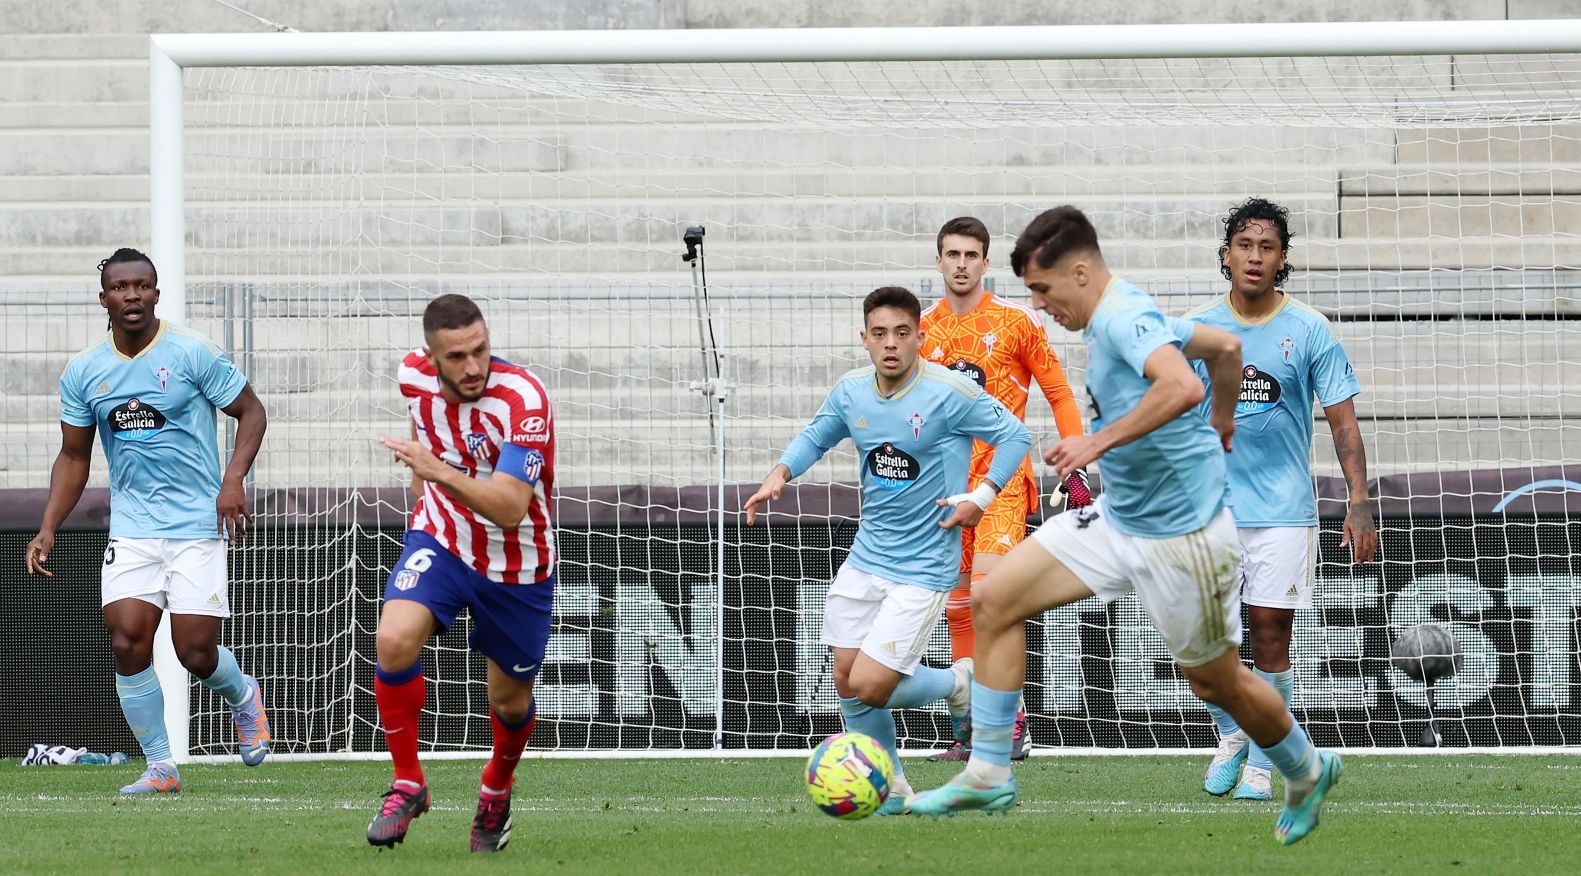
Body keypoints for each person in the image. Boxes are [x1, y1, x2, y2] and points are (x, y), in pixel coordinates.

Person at [908, 207, 1343, 846]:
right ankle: (990, 770)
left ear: (1080, 272)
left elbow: (1180, 387)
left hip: (1182, 538)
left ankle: (1306, 767)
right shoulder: (1126, 308)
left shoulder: (1121, 318)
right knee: (994, 597)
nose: (1040, 305)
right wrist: (1226, 419)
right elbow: (1224, 348)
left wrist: (1097, 442)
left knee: (1215, 680)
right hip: (1120, 518)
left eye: (1045, 289)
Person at [743, 286, 1032, 814]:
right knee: (845, 680)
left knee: (872, 686)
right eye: (880, 334)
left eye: (902, 333)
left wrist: (982, 495)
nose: (891, 344)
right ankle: (893, 783)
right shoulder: (852, 391)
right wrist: (779, 473)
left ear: (920, 337)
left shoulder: (949, 392)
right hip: (867, 555)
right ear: (865, 339)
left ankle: (959, 683)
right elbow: (818, 434)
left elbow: (1016, 436)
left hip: (924, 565)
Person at [26, 247, 271, 794]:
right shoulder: (86, 370)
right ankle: (161, 767)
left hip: (196, 527)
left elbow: (250, 411)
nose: (131, 296)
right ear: (104, 298)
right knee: (128, 641)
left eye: (142, 286)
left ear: (156, 293)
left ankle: (242, 696)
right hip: (133, 528)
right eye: (121, 287)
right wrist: (47, 527)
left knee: (194, 651)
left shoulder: (191, 352)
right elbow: (73, 456)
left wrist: (232, 481)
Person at [1186, 198, 1377, 800]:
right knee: (1206, 644)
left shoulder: (1309, 329)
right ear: (1226, 254)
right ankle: (1231, 736)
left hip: (1283, 512)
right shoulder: (1198, 331)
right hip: (1209, 511)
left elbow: (1343, 426)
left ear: (1282, 259)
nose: (1255, 256)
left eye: (1267, 247)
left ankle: (1263, 765)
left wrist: (1359, 500)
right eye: (1245, 244)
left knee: (1270, 636)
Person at [366, 294, 557, 854]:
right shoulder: (411, 376)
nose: (472, 367)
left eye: (481, 350)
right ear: (432, 356)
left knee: (510, 704)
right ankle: (408, 784)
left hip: (515, 559)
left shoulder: (525, 400)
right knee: (393, 638)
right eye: (457, 357)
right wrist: (424, 507)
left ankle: (496, 789)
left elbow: (508, 507)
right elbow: (422, 427)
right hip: (443, 540)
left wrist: (433, 470)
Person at [921, 216, 1090, 761]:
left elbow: (1060, 394)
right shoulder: (920, 329)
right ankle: (969, 728)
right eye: (953, 254)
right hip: (945, 490)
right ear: (939, 261)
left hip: (1002, 485)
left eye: (972, 255)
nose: (962, 264)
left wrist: (1075, 464)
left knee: (994, 598)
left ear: (987, 262)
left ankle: (1010, 726)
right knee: (959, 610)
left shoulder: (1016, 322)